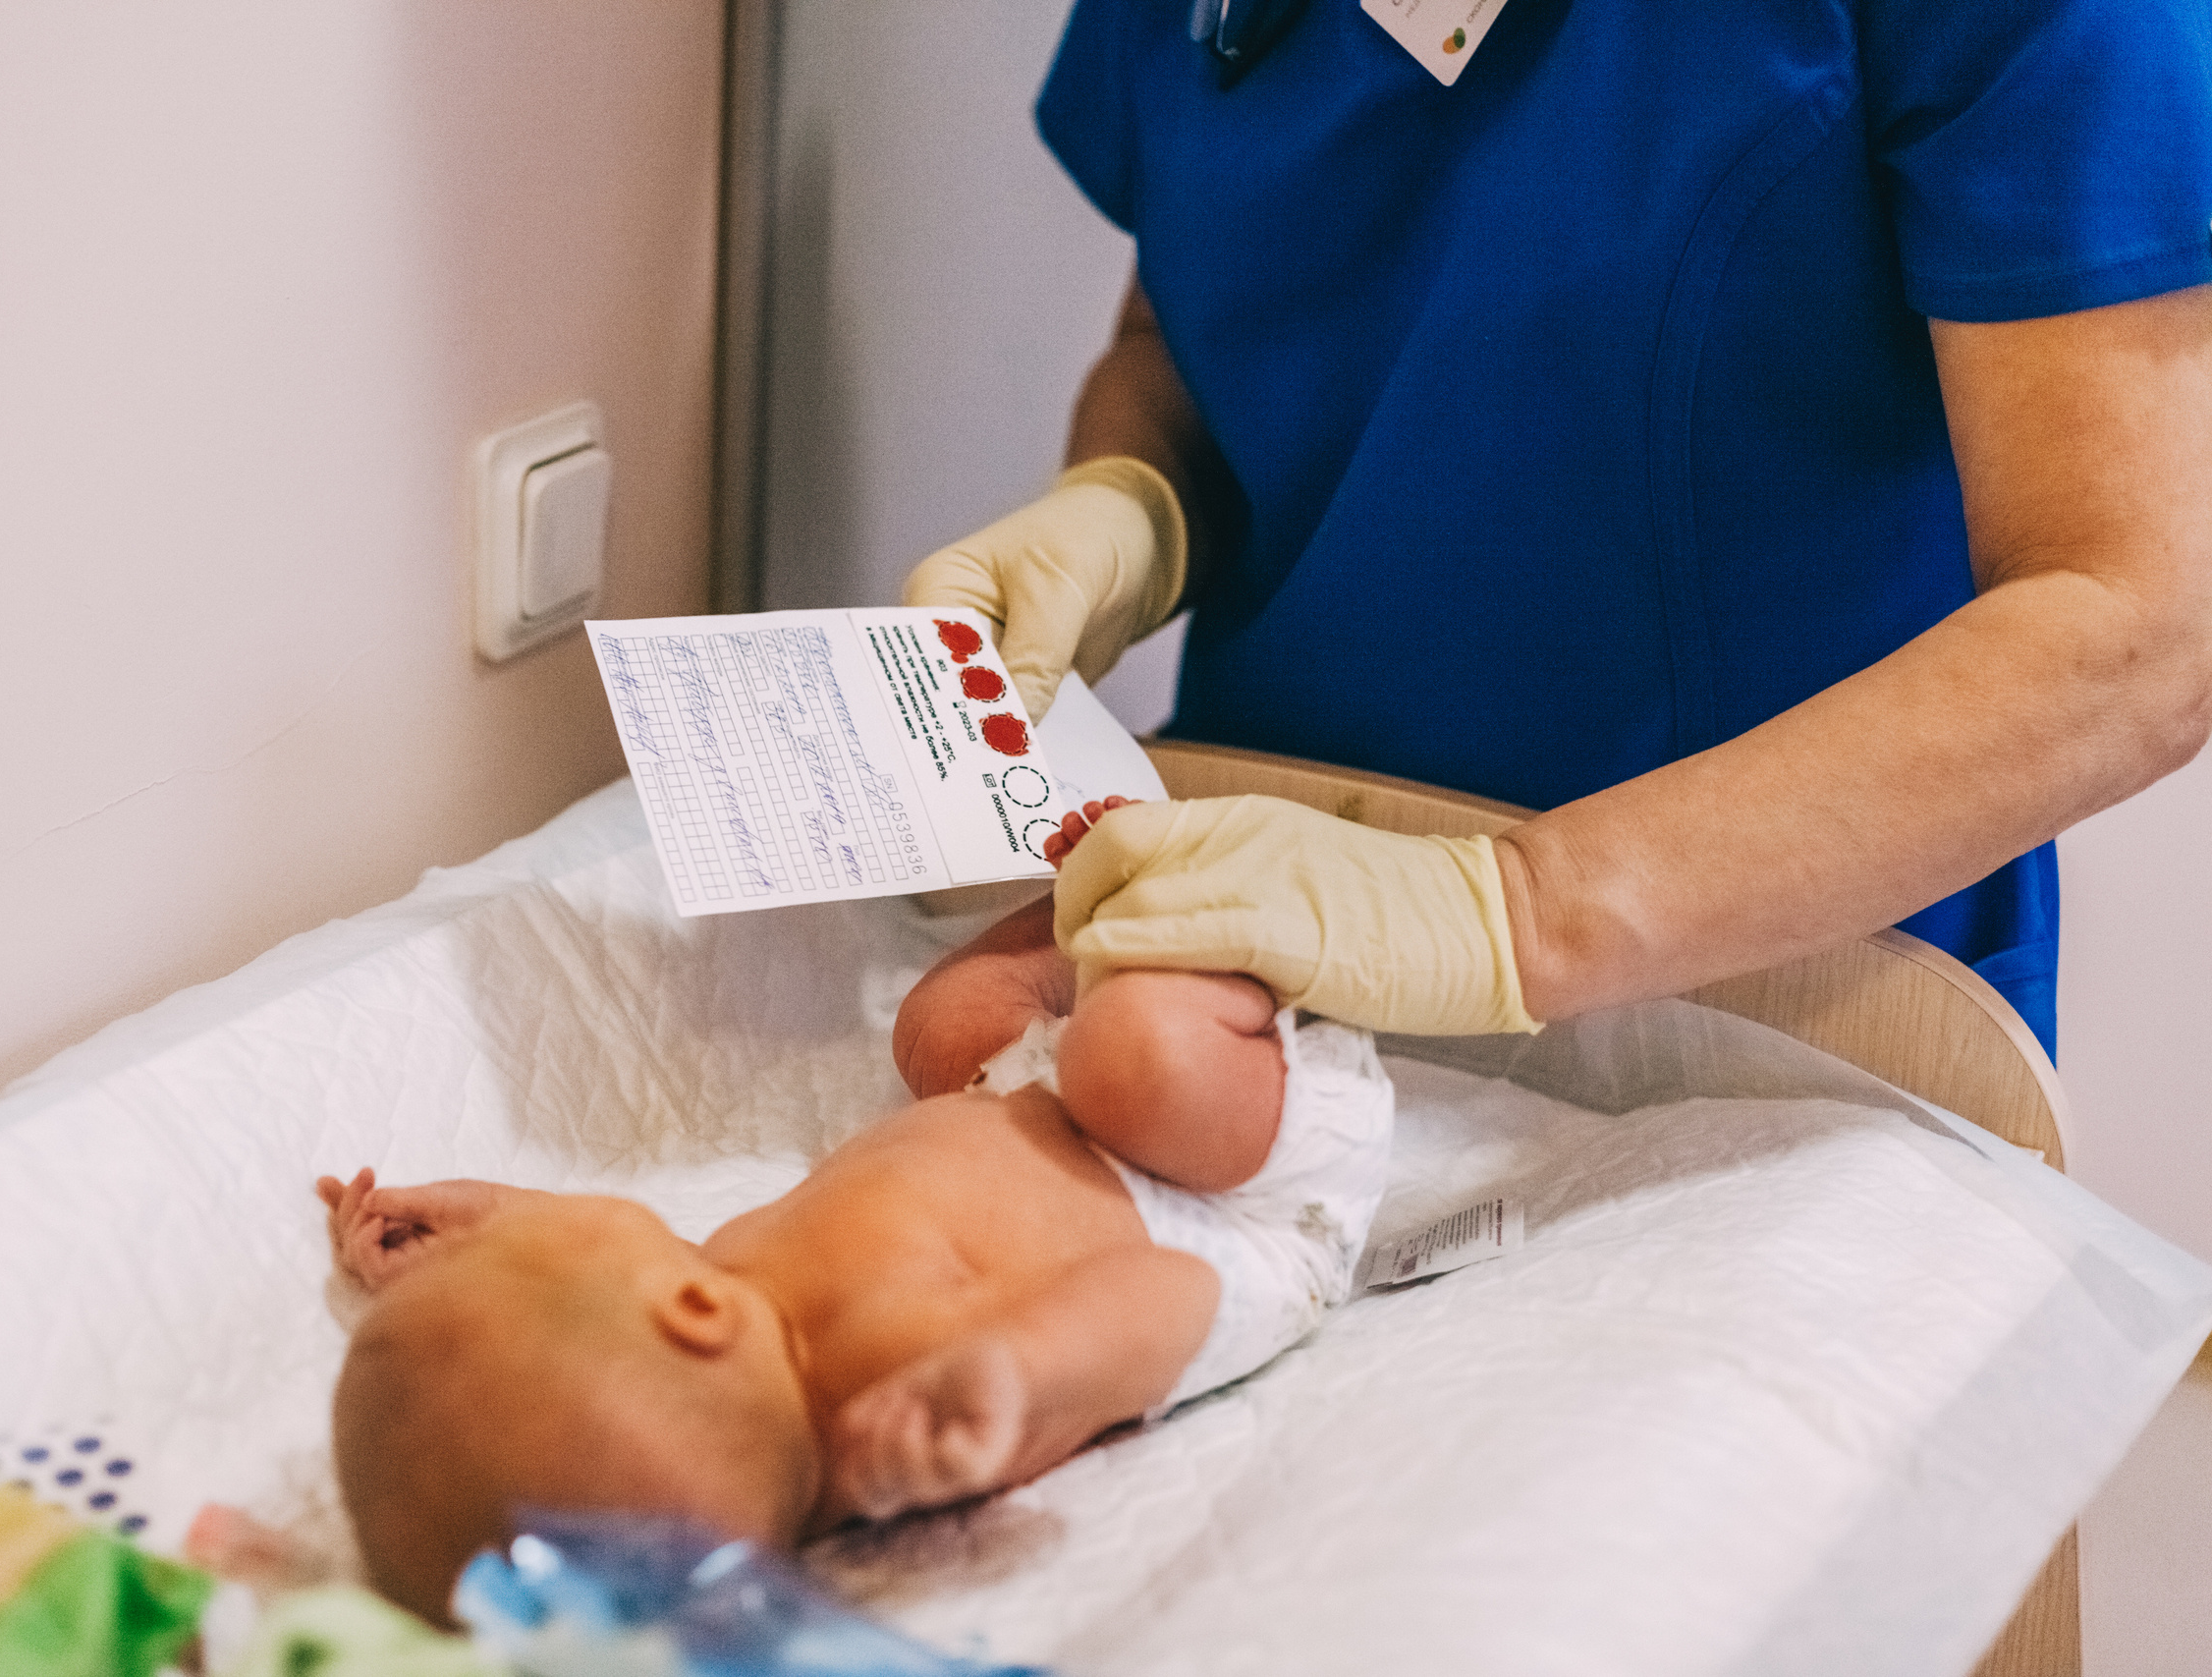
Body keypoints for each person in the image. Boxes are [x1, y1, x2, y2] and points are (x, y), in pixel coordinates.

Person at [906, 0, 2212, 1059]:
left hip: (1761, 997)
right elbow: (1186, 324)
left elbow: (2138, 625)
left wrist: (1513, 911)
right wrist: (1133, 503)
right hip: (1253, 888)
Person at [323, 819, 1389, 1622]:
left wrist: (495, 1225)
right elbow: (1179, 1293)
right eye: (534, 1254)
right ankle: (1202, 905)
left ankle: (1093, 903)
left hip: (1030, 1097)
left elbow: (637, 1270)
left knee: (939, 1024)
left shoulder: (734, 1301)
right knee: (1131, 1052)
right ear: (687, 1313)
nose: (522, 1238)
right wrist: (1026, 1367)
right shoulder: (915, 1383)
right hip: (1228, 1194)